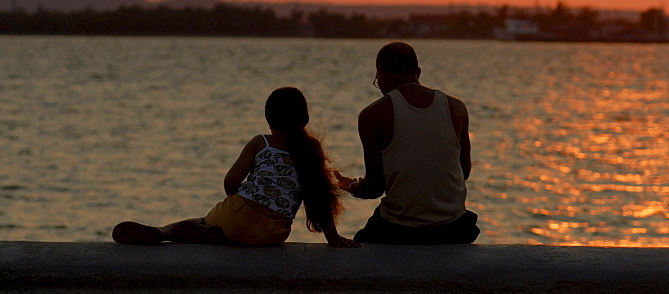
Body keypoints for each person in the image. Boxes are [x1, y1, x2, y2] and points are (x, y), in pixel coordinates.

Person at [112, 87, 358, 248]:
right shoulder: (311, 149)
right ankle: (223, 234)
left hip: (238, 213)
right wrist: (333, 238)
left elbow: (230, 183)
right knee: (238, 229)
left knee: (205, 221)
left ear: (268, 119)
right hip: (273, 234)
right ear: (304, 119)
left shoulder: (260, 142)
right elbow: (319, 195)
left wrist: (241, 198)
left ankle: (164, 232)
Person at [334, 41, 480, 244]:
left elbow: (374, 188)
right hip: (454, 226)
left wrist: (351, 186)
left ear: (381, 72)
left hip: (400, 228)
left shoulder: (372, 115)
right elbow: (464, 171)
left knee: (360, 245)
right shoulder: (456, 108)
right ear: (418, 71)